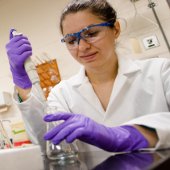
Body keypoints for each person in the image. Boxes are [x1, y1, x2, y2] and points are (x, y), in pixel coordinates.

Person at [5, 0, 170, 153]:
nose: (82, 47)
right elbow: (48, 144)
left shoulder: (161, 71)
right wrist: (22, 82)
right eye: (71, 40)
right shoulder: (62, 94)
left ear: (116, 29)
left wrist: (128, 136)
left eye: (91, 33)